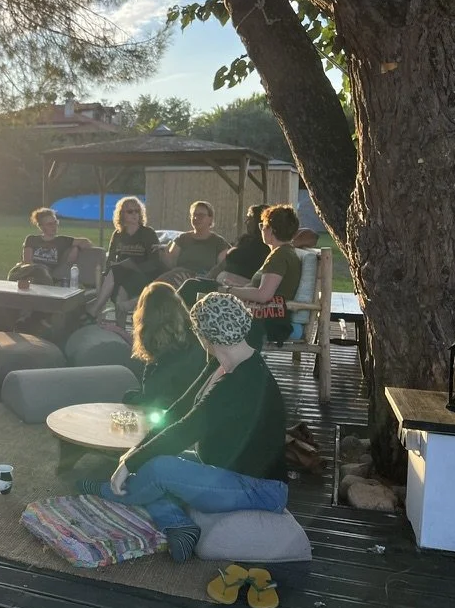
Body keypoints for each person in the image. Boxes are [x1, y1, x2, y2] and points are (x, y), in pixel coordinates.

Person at [78, 292, 288, 562]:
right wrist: (135, 452)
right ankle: (178, 524)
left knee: (158, 468)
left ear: (205, 336)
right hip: (221, 467)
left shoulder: (245, 381)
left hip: (259, 488)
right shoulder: (222, 363)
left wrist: (130, 463)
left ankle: (108, 491)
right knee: (153, 465)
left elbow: (188, 428)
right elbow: (178, 409)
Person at [179, 204, 302, 345]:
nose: (261, 229)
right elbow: (264, 288)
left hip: (266, 316)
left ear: (272, 230)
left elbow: (264, 295)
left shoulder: (279, 256)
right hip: (258, 308)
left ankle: (174, 334)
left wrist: (227, 290)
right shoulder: (283, 253)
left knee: (192, 287)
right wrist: (237, 286)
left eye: (263, 225)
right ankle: (180, 334)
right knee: (195, 285)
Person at [121, 281, 208, 412]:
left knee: (130, 398)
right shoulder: (194, 334)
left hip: (172, 406)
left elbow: (151, 389)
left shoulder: (159, 343)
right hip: (191, 400)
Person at [85, 196, 162, 328]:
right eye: (130, 211)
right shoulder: (118, 234)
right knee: (120, 288)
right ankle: (120, 329)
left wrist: (133, 266)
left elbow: (155, 262)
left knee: (118, 273)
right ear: (122, 214)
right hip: (121, 276)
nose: (134, 214)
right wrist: (110, 270)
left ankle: (96, 309)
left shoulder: (148, 233)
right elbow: (110, 259)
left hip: (141, 275)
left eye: (137, 211)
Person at [9, 208, 92, 285]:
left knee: (42, 272)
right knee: (22, 272)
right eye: (49, 224)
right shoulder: (32, 239)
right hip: (27, 270)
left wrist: (76, 248)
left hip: (45, 275)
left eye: (55, 222)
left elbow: (86, 242)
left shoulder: (62, 241)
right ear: (41, 226)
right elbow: (27, 262)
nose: (54, 226)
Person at [156, 201, 230, 288]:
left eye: (201, 215)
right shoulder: (182, 238)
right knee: (155, 288)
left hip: (204, 280)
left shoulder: (219, 242)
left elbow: (222, 267)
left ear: (210, 219)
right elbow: (171, 264)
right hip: (179, 277)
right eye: (194, 214)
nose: (196, 218)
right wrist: (163, 254)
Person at [209, 204, 270, 283]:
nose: (245, 222)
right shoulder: (245, 240)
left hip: (240, 288)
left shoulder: (265, 246)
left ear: (258, 220)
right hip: (221, 282)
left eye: (249, 219)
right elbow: (223, 264)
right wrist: (208, 277)